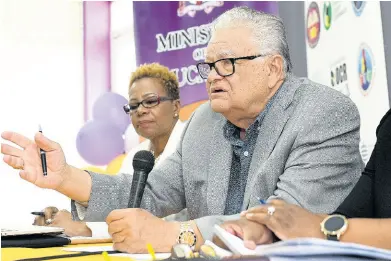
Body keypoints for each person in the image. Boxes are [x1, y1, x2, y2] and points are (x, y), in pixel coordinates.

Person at [1, 6, 363, 253]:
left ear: (273, 69)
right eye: (208, 66)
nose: (212, 77)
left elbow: (284, 224)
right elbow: (152, 193)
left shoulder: (323, 114)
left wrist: (174, 234)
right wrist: (64, 177)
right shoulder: (205, 121)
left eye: (226, 64)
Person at [32, 63, 187, 237]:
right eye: (134, 106)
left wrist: (86, 229)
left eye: (150, 101)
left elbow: (179, 219)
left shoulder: (194, 144)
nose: (141, 111)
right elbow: (120, 208)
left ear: (175, 106)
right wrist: (63, 220)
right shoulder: (135, 156)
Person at [218, 108, 391, 250]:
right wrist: (271, 228)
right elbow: (353, 213)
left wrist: (323, 229)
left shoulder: (325, 111)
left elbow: (325, 227)